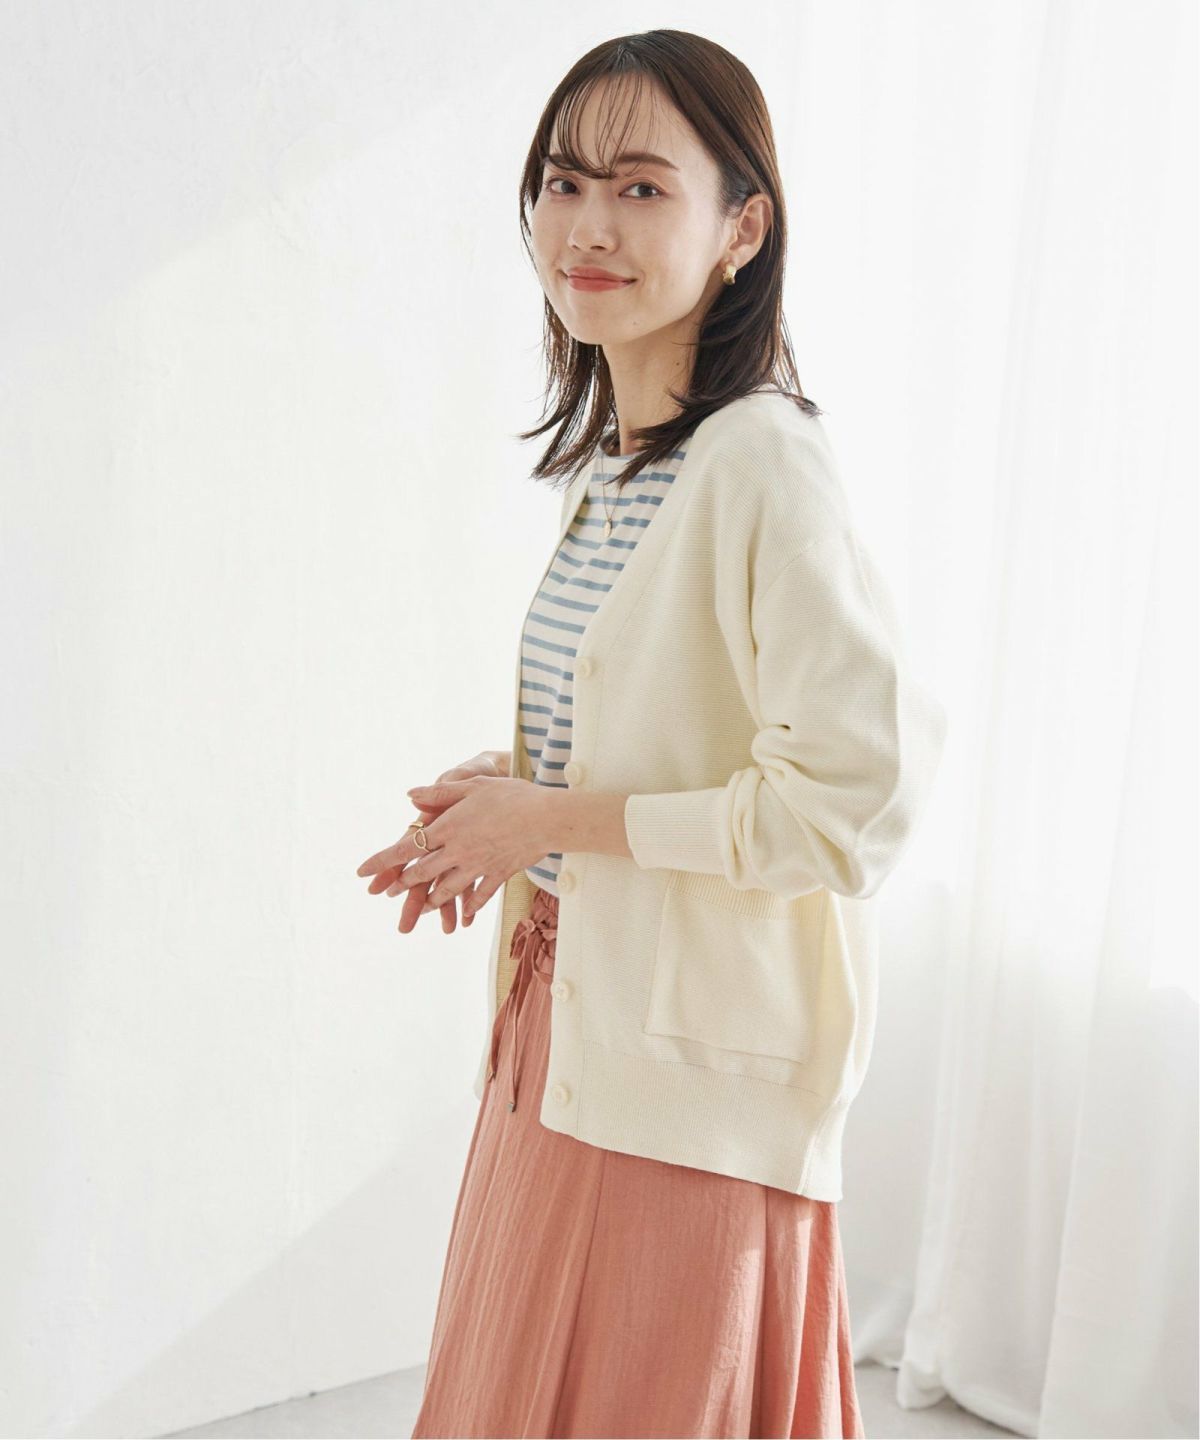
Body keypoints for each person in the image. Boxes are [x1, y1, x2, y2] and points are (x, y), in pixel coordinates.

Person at [357, 28, 946, 1440]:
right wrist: (505, 800)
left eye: (640, 188)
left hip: (684, 1088)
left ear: (743, 226)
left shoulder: (763, 462)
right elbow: (672, 735)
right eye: (563, 184)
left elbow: (853, 805)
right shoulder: (624, 469)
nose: (588, 227)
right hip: (564, 1032)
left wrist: (556, 821)